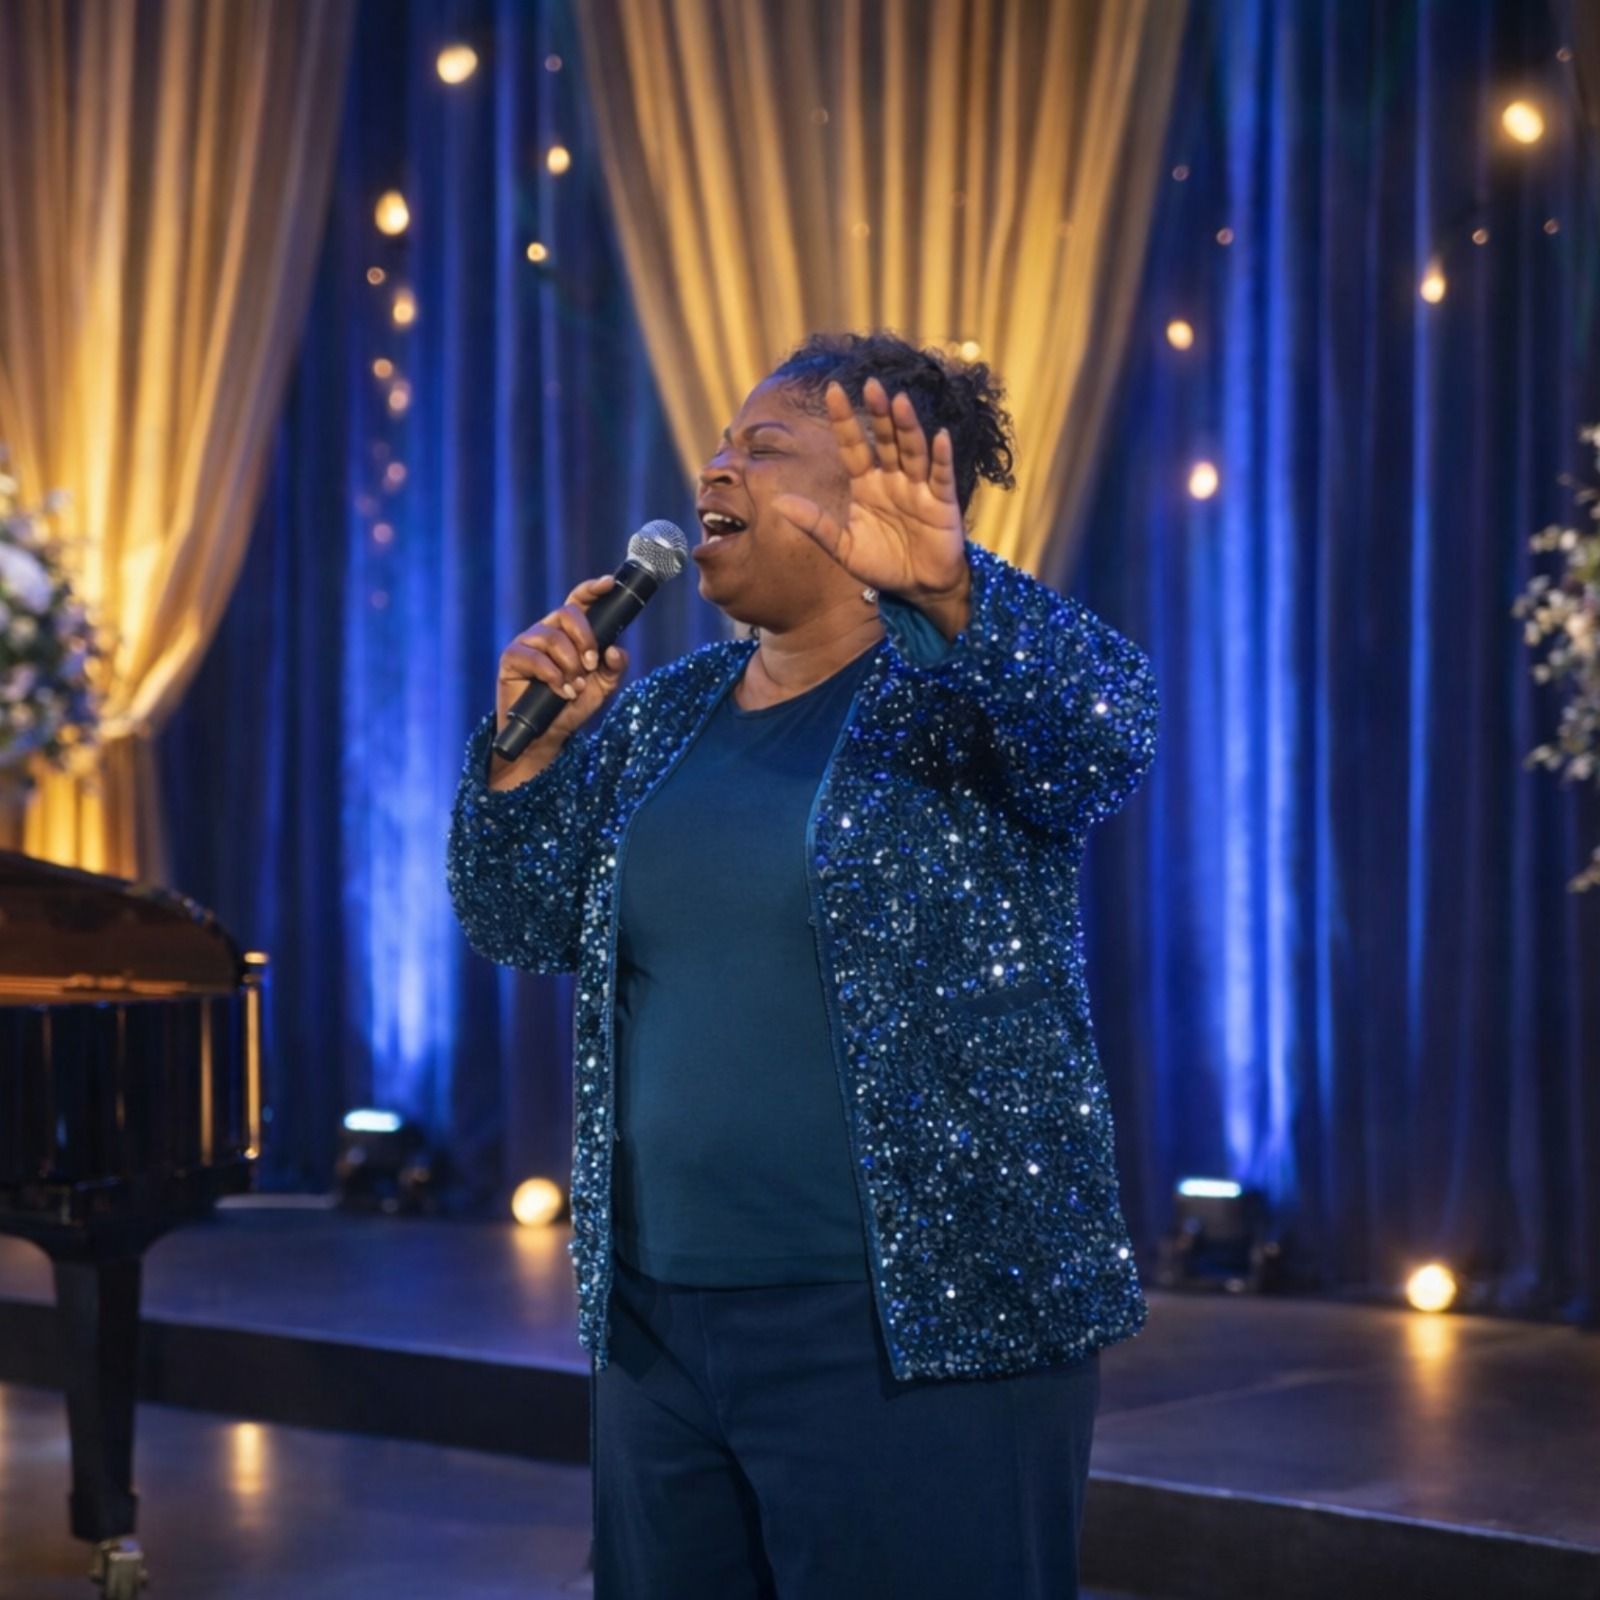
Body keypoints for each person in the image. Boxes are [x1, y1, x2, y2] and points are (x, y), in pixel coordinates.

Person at [446, 329, 1158, 1599]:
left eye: (762, 447)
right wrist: (520, 757)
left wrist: (951, 592)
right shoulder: (668, 710)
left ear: (878, 487)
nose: (715, 468)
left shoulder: (955, 698)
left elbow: (1104, 729)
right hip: (659, 1325)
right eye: (718, 445)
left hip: (920, 1331)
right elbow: (517, 922)